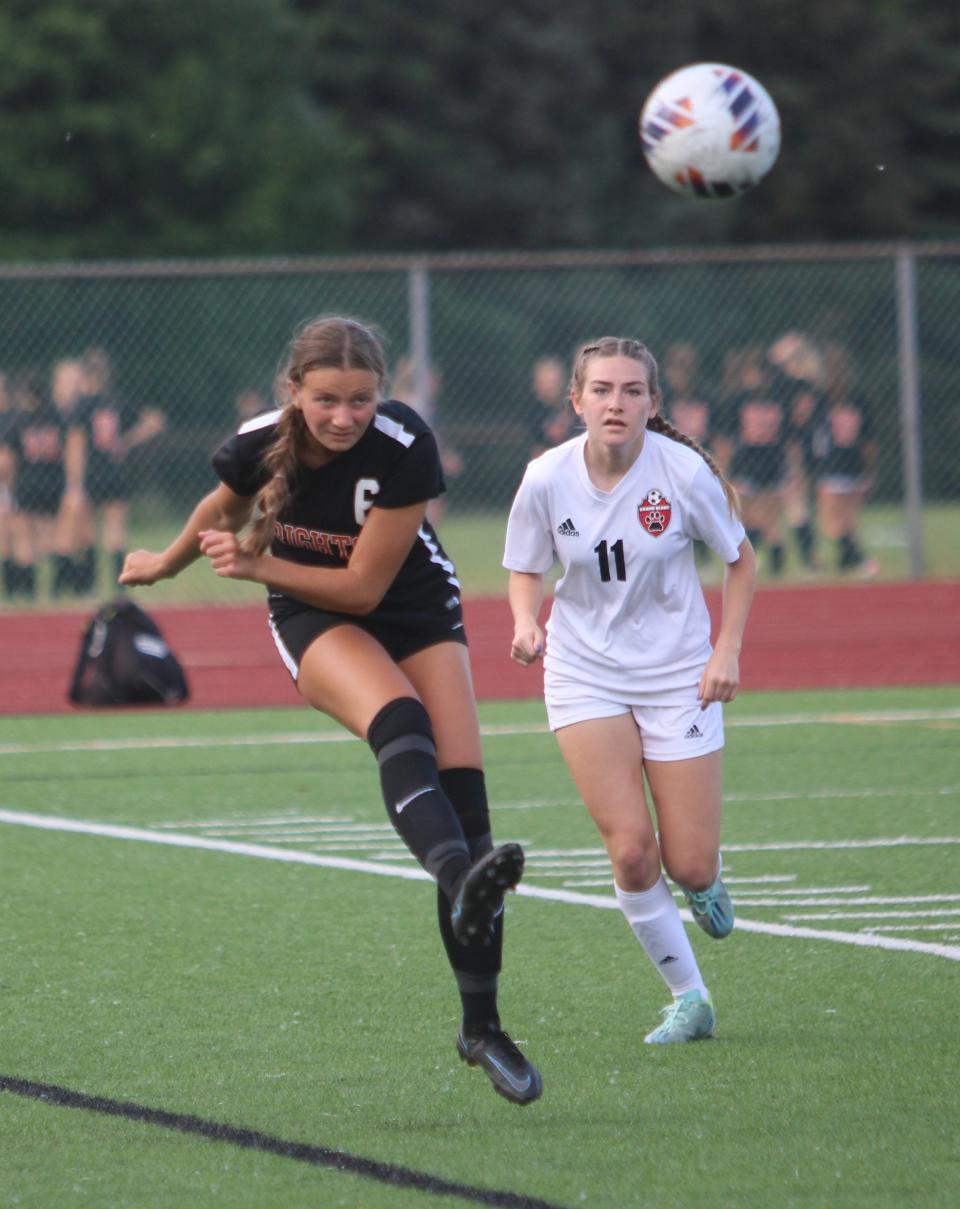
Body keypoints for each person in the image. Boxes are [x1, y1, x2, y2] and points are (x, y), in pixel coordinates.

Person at [119, 315, 542, 1105]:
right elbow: (222, 504)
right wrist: (165, 563)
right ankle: (460, 880)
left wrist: (254, 563)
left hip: (407, 604)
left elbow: (365, 587)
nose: (344, 416)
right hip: (311, 616)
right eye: (326, 400)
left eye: (360, 399)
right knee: (401, 724)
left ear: (382, 394)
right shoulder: (257, 440)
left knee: (471, 814)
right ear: (294, 393)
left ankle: (480, 1025)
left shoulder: (406, 443)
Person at [504, 336, 755, 1045]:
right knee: (632, 852)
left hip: (679, 674)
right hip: (584, 672)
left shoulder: (682, 473)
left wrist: (725, 650)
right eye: (603, 390)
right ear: (576, 400)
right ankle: (689, 998)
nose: (617, 403)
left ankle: (703, 879)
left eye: (632, 390)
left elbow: (740, 561)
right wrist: (526, 622)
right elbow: (525, 566)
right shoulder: (546, 477)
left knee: (689, 860)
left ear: (653, 402)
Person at [64, 346, 167, 593]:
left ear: (86, 375)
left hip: (92, 472)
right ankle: (119, 585)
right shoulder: (116, 402)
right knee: (115, 533)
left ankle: (87, 586)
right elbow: (155, 420)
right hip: (114, 470)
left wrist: (75, 483)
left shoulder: (81, 405)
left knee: (88, 533)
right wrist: (126, 441)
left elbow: (76, 444)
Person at [810, 341, 879, 577]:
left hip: (831, 464)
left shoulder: (821, 399)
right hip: (855, 463)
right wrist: (869, 470)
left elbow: (817, 436)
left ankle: (860, 559)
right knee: (849, 521)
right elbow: (868, 441)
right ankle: (846, 562)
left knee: (829, 521)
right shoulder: (860, 398)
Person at [528, 354, 580, 458]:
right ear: (537, 384)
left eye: (554, 380)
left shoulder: (574, 406)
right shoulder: (534, 414)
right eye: (546, 381)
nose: (551, 385)